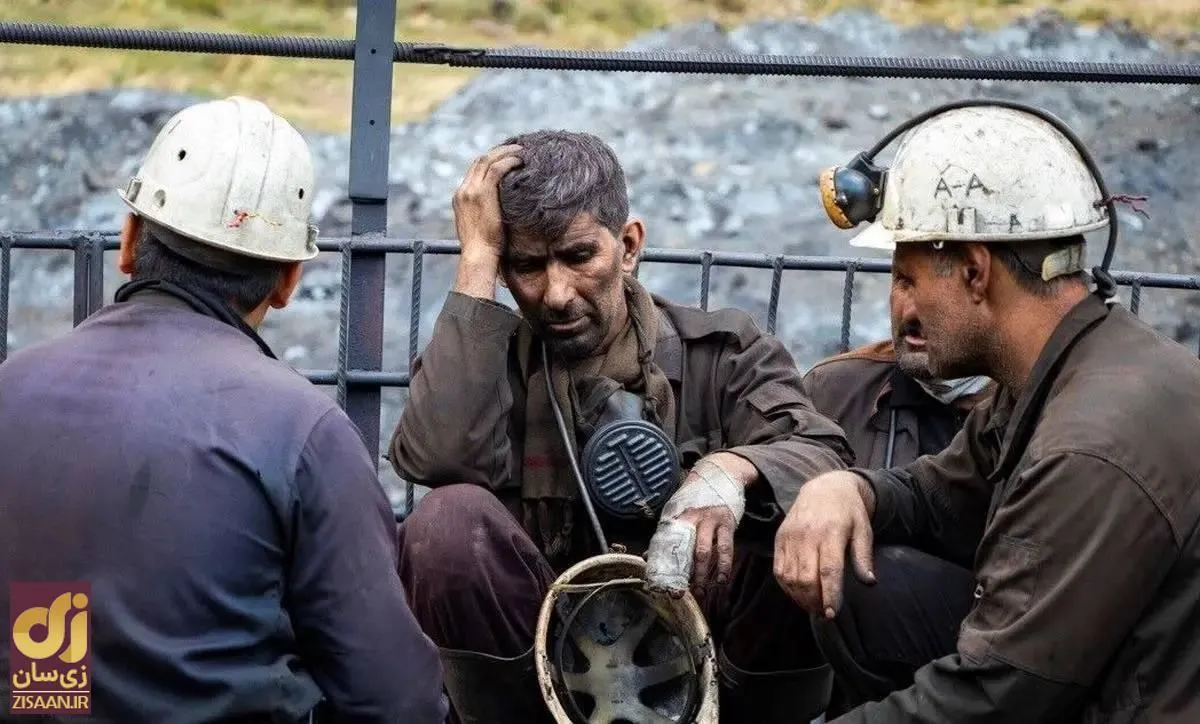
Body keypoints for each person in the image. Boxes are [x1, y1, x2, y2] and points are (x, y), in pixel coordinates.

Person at [0, 96, 448, 724]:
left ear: (128, 240)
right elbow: (396, 701)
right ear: (288, 280)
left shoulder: (10, 386)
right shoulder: (304, 432)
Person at [388, 129, 854, 723]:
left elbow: (824, 452)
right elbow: (436, 458)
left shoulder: (723, 353)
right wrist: (477, 259)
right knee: (445, 523)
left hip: (712, 668)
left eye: (579, 256)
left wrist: (731, 472)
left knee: (799, 514)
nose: (556, 294)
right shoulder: (484, 366)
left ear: (628, 245)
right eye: (526, 266)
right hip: (541, 675)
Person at [774, 100, 1200, 722]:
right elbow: (941, 498)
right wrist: (847, 489)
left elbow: (996, 696)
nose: (901, 307)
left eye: (909, 279)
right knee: (865, 581)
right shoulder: (1057, 370)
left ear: (976, 272)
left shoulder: (1087, 446)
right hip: (1097, 672)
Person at [801, 278, 992, 470]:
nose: (911, 311)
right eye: (904, 282)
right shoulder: (830, 391)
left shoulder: (1011, 402)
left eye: (945, 286)